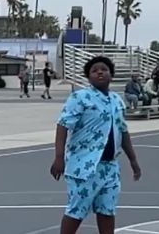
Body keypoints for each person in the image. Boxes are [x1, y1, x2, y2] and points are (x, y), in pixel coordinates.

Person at [50, 56, 142, 234]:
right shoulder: (80, 97)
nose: (100, 72)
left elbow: (123, 131)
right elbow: (63, 126)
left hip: (110, 168)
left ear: (111, 75)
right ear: (89, 77)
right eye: (94, 70)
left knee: (107, 211)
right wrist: (59, 157)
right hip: (84, 166)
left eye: (104, 69)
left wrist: (133, 160)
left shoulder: (117, 100)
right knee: (76, 211)